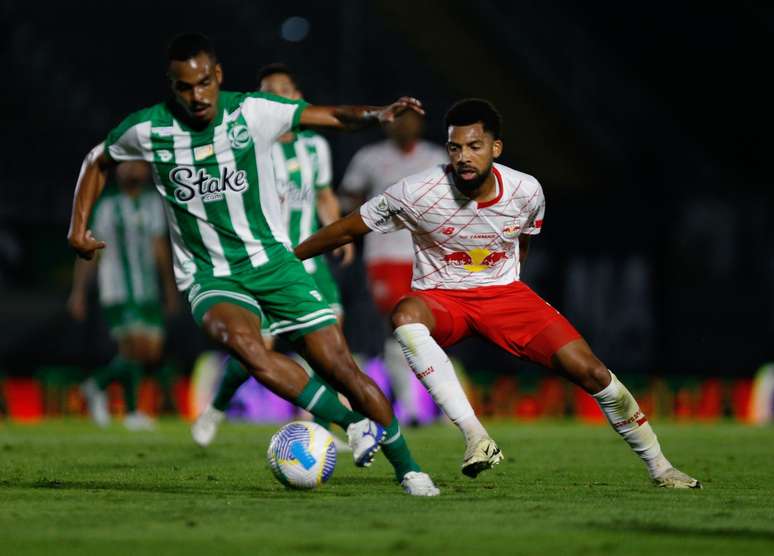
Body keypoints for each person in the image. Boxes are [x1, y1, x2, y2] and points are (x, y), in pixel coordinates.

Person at [66, 33, 438, 496]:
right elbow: (98, 159)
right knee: (246, 346)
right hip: (211, 276)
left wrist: (378, 114)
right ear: (172, 86)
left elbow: (328, 116)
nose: (197, 96)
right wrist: (77, 227)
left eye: (204, 83)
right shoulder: (150, 130)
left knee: (340, 366)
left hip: (275, 264)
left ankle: (409, 470)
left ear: (217, 76)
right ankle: (348, 422)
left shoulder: (250, 112)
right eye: (185, 87)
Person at [294, 98, 702, 488]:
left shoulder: (527, 191)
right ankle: (476, 437)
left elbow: (524, 240)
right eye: (455, 147)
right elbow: (348, 227)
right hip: (442, 299)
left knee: (594, 373)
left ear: (496, 147)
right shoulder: (416, 191)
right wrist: (293, 257)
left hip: (505, 296)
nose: (463, 157)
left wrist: (506, 286)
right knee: (404, 317)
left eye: (474, 146)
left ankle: (661, 467)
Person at [191, 63, 353, 450]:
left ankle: (323, 432)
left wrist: (339, 233)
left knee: (331, 351)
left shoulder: (315, 147)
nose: (274, 98)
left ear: (297, 99)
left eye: (282, 90)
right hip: (262, 265)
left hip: (310, 265)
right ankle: (215, 408)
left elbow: (323, 195)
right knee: (255, 353)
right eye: (266, 92)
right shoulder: (245, 145)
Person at [339, 110, 446, 424]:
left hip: (428, 257)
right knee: (399, 327)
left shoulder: (435, 157)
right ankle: (412, 409)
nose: (404, 125)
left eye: (411, 119)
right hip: (385, 256)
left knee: (427, 330)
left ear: (421, 123)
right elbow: (350, 200)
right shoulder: (369, 158)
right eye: (398, 119)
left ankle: (429, 404)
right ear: (388, 124)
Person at [68, 161, 178, 430]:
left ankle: (96, 385)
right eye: (127, 166)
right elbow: (89, 250)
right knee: (134, 347)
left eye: (138, 166)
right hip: (117, 287)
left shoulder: (153, 202)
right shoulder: (107, 205)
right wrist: (79, 291)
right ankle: (131, 412)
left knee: (150, 351)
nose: (133, 171)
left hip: (147, 287)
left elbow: (159, 246)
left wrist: (169, 288)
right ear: (118, 171)